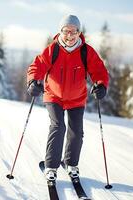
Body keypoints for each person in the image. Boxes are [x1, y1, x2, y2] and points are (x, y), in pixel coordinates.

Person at [26, 14, 109, 181]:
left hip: (77, 98)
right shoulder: (53, 49)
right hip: (54, 96)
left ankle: (71, 164)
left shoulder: (86, 51)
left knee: (76, 131)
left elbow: (99, 70)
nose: (70, 36)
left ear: (79, 32)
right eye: (66, 31)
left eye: (74, 31)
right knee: (58, 127)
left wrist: (101, 85)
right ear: (60, 31)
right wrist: (33, 82)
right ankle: (51, 166)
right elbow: (37, 65)